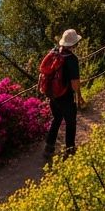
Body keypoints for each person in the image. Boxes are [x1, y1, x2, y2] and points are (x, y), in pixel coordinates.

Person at [44, 28, 84, 160]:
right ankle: (70, 150)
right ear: (73, 44)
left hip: (53, 95)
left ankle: (49, 147)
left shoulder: (54, 52)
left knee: (56, 119)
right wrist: (79, 96)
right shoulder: (72, 59)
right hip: (65, 96)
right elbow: (75, 82)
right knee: (70, 122)